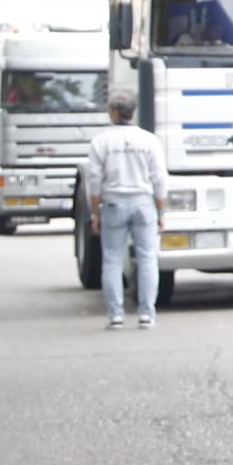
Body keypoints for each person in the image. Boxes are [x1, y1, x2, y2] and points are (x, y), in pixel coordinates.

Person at [79, 93, 169, 329]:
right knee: (148, 259)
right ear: (133, 112)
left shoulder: (101, 142)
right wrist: (161, 212)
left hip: (113, 204)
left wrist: (95, 213)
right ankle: (147, 313)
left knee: (112, 260)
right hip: (143, 203)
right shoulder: (149, 140)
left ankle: (115, 314)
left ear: (113, 112)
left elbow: (95, 179)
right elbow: (159, 178)